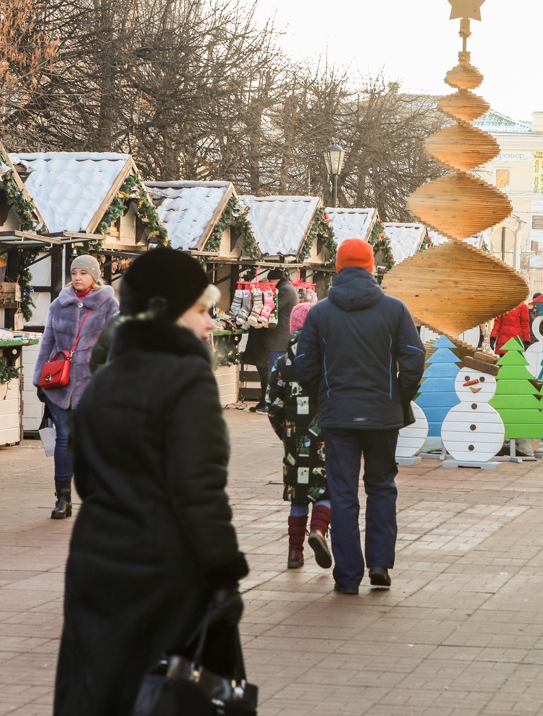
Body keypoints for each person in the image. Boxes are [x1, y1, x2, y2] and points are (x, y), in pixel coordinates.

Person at [54, 248, 248, 716]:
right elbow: (199, 489)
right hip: (165, 572)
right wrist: (224, 575)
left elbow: (85, 479)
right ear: (165, 310)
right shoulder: (187, 380)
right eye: (201, 310)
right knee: (167, 695)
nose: (209, 325)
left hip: (96, 561)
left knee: (101, 691)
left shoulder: (104, 380)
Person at [295, 238, 425, 595]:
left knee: (343, 492)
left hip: (337, 416)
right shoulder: (394, 310)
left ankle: (348, 576)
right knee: (382, 487)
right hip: (383, 416)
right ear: (371, 267)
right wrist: (398, 396)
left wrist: (320, 397)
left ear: (338, 268)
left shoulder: (320, 313)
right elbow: (414, 357)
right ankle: (380, 564)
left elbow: (303, 365)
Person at [33, 254, 118, 520]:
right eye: (74, 272)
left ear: (94, 275)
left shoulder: (108, 305)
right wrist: (39, 378)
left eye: (83, 273)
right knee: (64, 439)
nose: (77, 277)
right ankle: (63, 498)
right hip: (59, 386)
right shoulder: (60, 304)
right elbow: (48, 341)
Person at [267, 301, 332, 570]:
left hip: (294, 442)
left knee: (298, 496)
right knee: (325, 490)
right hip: (324, 438)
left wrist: (285, 435)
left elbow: (273, 407)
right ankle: (318, 531)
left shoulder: (282, 363)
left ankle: (295, 552)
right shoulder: (327, 360)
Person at [243, 268, 298, 413]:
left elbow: (273, 307)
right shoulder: (287, 288)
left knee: (273, 373)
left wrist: (259, 311)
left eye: (271, 281)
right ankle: (267, 403)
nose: (270, 284)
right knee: (273, 372)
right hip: (278, 338)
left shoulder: (285, 290)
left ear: (275, 280)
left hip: (279, 339)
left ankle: (270, 404)